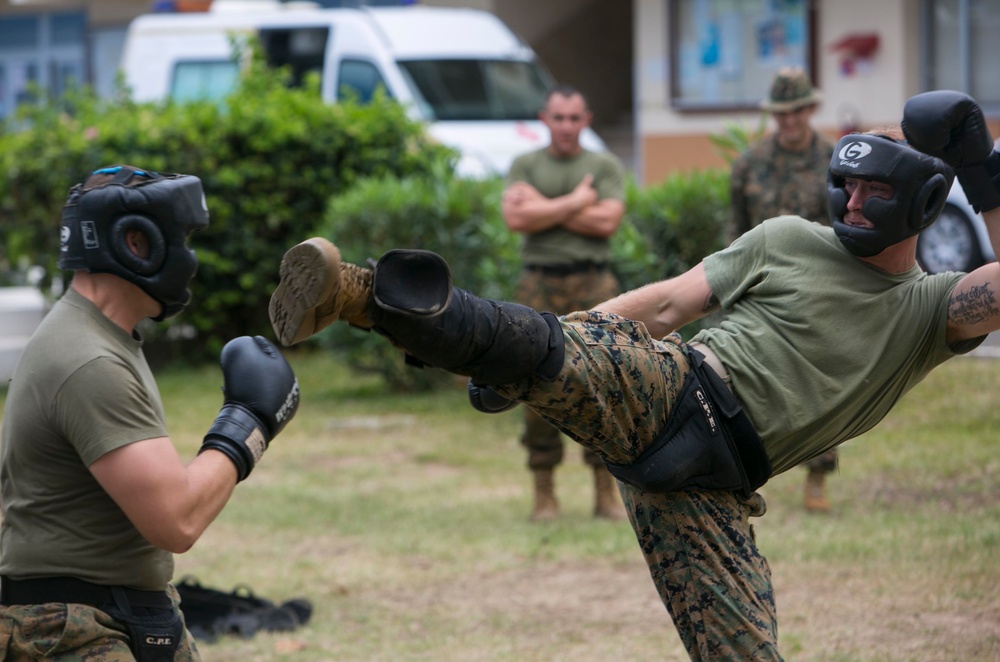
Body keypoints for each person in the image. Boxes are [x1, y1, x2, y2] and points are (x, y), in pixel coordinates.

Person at [268, 90, 1000, 659]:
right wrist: (530, 357)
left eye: (875, 193)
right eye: (848, 186)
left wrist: (983, 165)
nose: (853, 203)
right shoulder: (788, 240)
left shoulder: (929, 310)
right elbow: (664, 303)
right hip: (679, 386)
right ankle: (354, 293)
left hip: (716, 488)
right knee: (551, 345)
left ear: (922, 204)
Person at [0, 165, 300, 660]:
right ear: (134, 242)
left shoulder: (98, 337)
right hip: (71, 629)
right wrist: (249, 423)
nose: (190, 258)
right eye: (180, 238)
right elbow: (175, 521)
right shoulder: (87, 360)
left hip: (110, 611)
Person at [501, 84, 628, 520]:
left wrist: (545, 207)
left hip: (594, 285)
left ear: (586, 120)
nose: (567, 126)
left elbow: (607, 222)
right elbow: (517, 218)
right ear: (545, 119)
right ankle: (544, 490)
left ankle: (604, 490)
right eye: (559, 118)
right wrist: (576, 202)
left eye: (575, 118)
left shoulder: (603, 164)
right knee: (534, 383)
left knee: (602, 383)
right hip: (539, 288)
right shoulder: (525, 164)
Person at [728, 66, 839, 512]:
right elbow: (735, 231)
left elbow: (847, 227)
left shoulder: (835, 160)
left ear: (810, 108)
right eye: (781, 112)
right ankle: (748, 474)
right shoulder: (749, 164)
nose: (789, 120)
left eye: (797, 110)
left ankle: (818, 477)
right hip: (760, 288)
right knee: (752, 383)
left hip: (817, 288)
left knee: (819, 383)